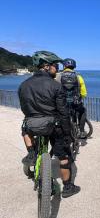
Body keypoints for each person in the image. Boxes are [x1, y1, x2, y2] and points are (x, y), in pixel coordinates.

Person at [18, 51, 80, 198]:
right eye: (55, 66)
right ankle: (68, 187)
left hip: (32, 125)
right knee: (64, 157)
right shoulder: (56, 86)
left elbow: (24, 109)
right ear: (46, 67)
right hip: (53, 126)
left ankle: (31, 152)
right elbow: (64, 113)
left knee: (24, 127)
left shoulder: (23, 85)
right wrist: (67, 134)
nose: (57, 68)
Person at [56, 58, 88, 139]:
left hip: (63, 103)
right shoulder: (78, 77)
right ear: (74, 66)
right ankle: (81, 131)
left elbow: (55, 90)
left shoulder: (58, 76)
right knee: (83, 111)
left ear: (64, 66)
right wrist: (81, 98)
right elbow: (84, 92)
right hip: (75, 102)